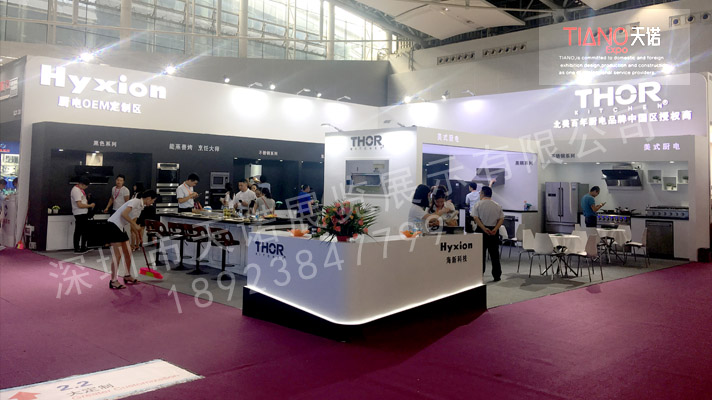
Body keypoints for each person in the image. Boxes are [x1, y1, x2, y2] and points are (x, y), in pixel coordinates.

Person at [105, 190, 157, 289]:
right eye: (153, 200)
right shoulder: (135, 201)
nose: (152, 203)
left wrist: (138, 237)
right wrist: (135, 225)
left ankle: (127, 275)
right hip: (113, 226)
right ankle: (113, 281)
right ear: (148, 198)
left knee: (128, 252)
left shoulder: (141, 207)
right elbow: (124, 214)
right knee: (118, 255)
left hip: (121, 227)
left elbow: (133, 222)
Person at [473, 186, 504, 282]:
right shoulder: (497, 205)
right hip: (493, 231)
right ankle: (497, 275)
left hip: (481, 230)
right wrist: (495, 229)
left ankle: (479, 275)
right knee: (495, 255)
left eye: (480, 193)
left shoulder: (478, 204)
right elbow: (501, 219)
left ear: (483, 194)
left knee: (480, 255)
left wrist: (483, 228)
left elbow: (475, 218)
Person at [71, 176, 95, 254]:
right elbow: (79, 205)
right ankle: (77, 248)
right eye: (86, 186)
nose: (86, 188)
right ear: (83, 184)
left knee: (84, 230)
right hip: (79, 213)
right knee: (78, 231)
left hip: (83, 213)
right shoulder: (76, 191)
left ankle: (83, 247)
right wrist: (90, 205)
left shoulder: (80, 190)